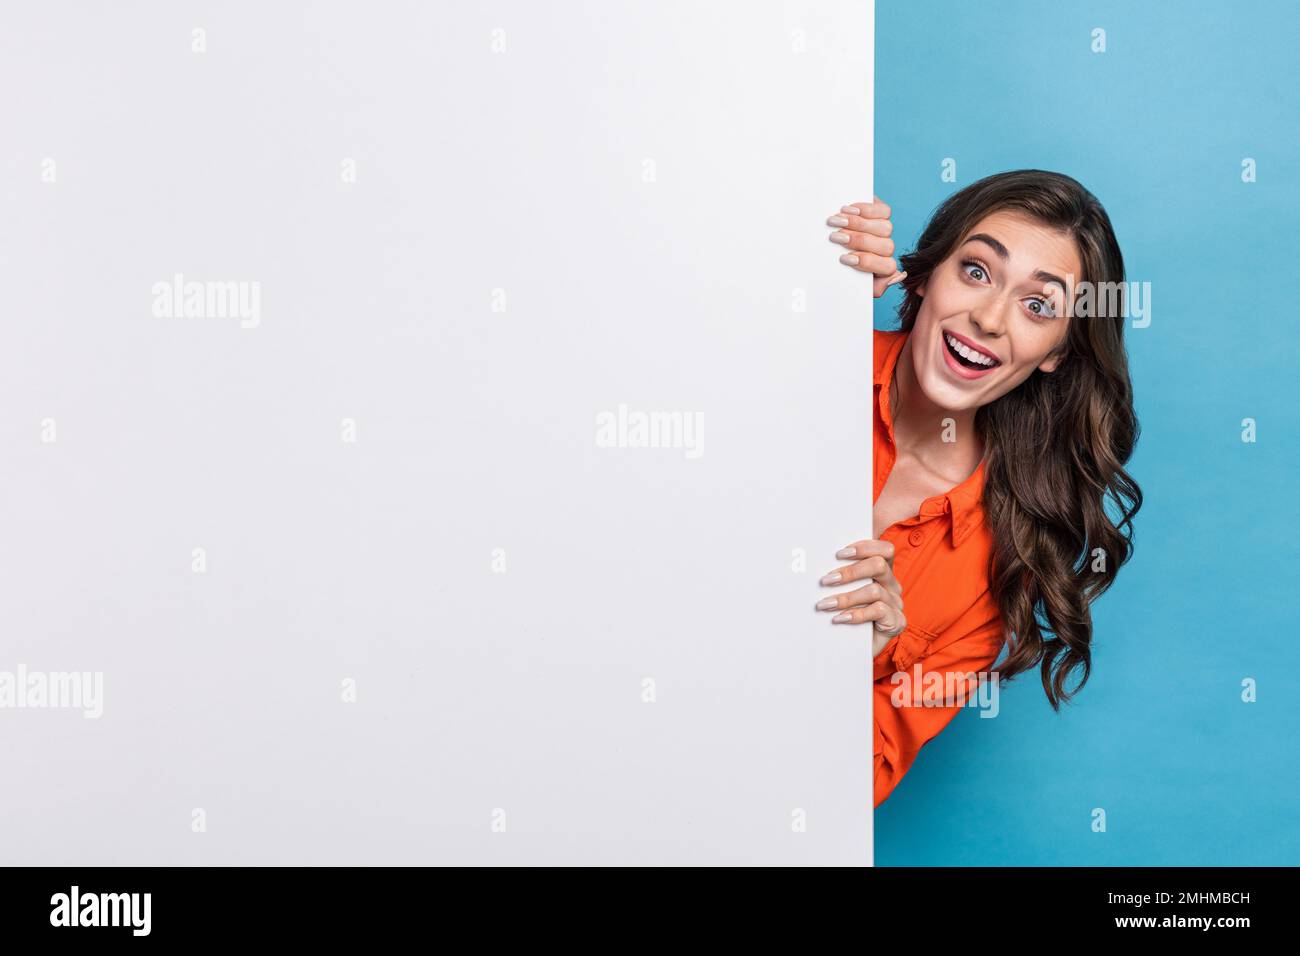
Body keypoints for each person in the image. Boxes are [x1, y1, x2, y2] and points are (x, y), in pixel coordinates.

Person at [816, 171, 1142, 807]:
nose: (990, 319)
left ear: (1057, 352)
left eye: (1038, 305)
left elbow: (841, 797)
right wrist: (807, 260)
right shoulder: (809, 359)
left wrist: (843, 663)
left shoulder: (995, 580)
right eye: (975, 271)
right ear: (925, 273)